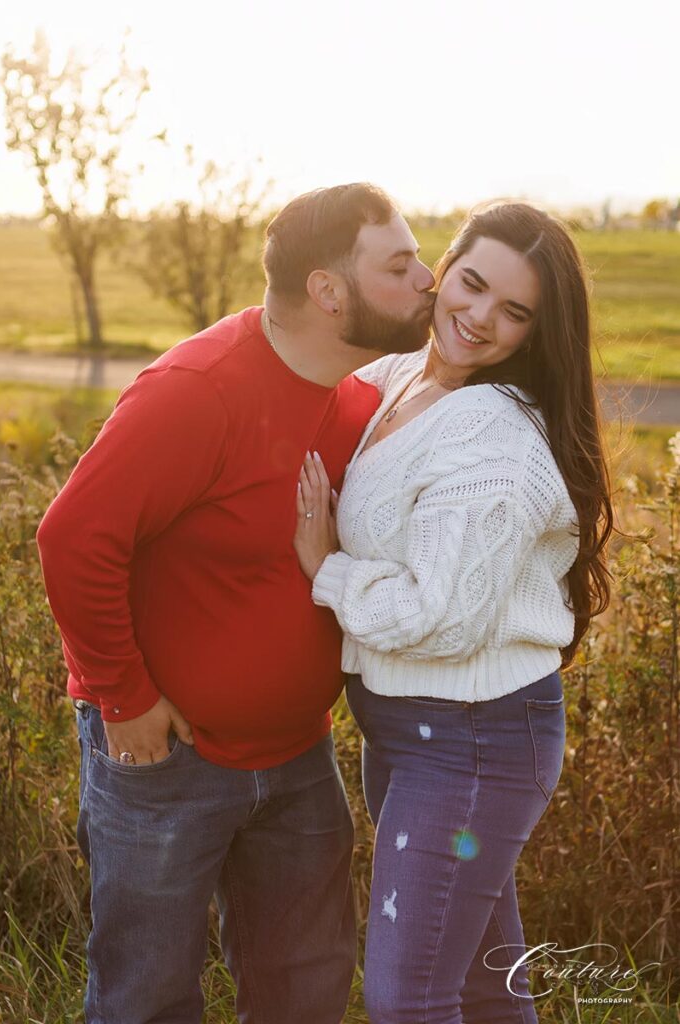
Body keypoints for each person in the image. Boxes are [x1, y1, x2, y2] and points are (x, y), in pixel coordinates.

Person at [36, 182, 435, 1024]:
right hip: (166, 761)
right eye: (399, 265)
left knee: (308, 986)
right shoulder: (197, 390)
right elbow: (74, 538)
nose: (427, 279)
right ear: (329, 291)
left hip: (296, 757)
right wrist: (124, 695)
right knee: (147, 996)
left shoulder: (355, 398)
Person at [294, 202, 613, 1024]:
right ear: (444, 265)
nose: (477, 318)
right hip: (418, 729)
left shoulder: (488, 438)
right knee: (477, 983)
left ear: (537, 331)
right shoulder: (407, 376)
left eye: (513, 312)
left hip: (471, 740)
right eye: (469, 285)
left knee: (410, 1000)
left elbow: (442, 617)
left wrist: (326, 569)